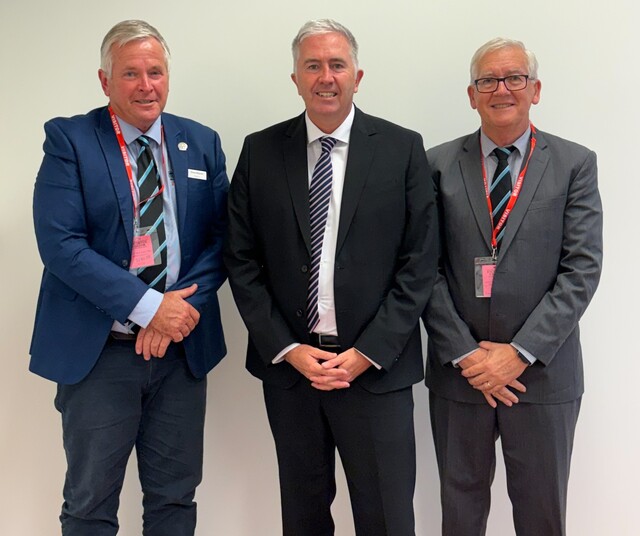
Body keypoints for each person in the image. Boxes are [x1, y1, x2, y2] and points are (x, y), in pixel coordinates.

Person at [224, 18, 438, 536]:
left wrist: (368, 352)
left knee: (386, 520)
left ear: (357, 77)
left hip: (376, 373)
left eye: (337, 65)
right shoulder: (260, 151)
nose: (326, 77)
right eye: (313, 66)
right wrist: (287, 348)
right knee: (302, 519)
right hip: (294, 375)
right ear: (295, 79)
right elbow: (240, 258)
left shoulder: (402, 148)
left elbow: (420, 261)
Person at [29, 20, 228, 535]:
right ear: (105, 81)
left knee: (175, 500)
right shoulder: (70, 140)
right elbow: (61, 244)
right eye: (131, 74)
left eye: (155, 72)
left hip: (181, 353)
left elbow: (223, 240)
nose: (146, 85)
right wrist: (149, 308)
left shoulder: (200, 142)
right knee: (90, 504)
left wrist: (175, 314)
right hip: (101, 355)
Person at [423, 37, 603, 536]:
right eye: (488, 80)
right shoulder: (435, 165)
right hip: (461, 377)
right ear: (471, 95)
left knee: (542, 516)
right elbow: (423, 270)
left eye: (514, 78)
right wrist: (467, 355)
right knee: (460, 516)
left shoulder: (574, 163)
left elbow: (581, 269)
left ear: (535, 90)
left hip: (542, 377)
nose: (501, 89)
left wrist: (519, 353)